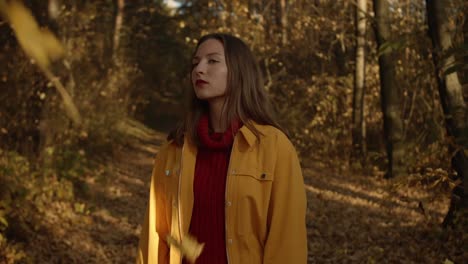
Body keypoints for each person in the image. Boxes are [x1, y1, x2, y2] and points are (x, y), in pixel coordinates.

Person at [137, 33, 307, 264]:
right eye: (195, 63)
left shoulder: (275, 147)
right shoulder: (173, 150)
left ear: (239, 71)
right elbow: (156, 234)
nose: (199, 70)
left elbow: (287, 241)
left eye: (212, 61)